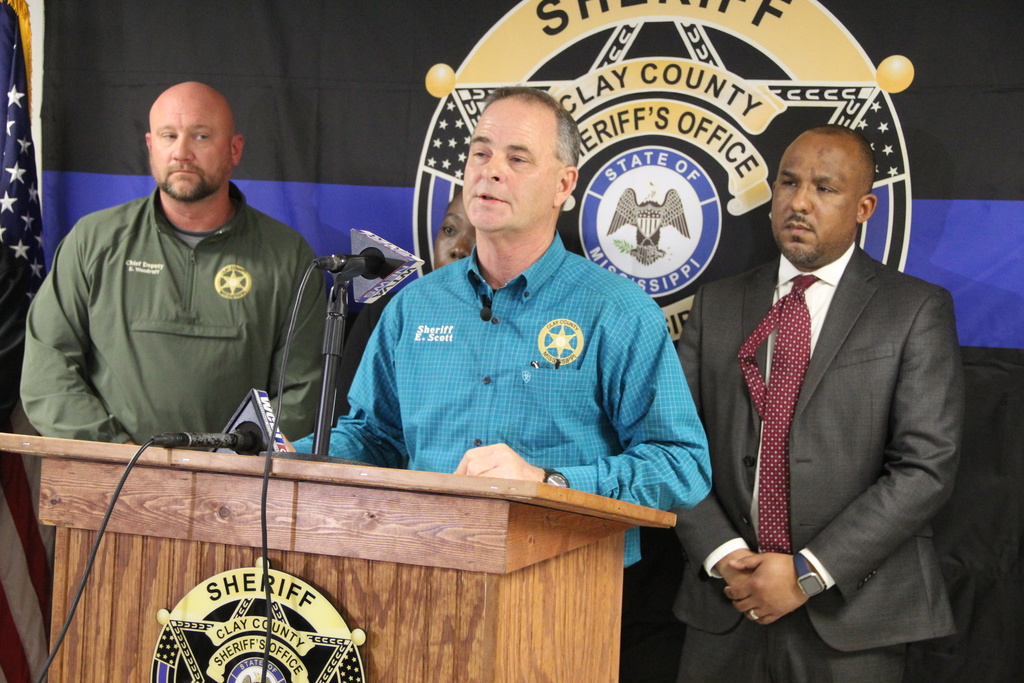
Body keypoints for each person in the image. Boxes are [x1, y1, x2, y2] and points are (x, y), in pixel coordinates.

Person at [293, 86, 711, 565]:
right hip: (419, 570)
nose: (491, 170)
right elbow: (373, 438)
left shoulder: (616, 311)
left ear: (563, 185)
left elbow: (683, 465)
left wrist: (550, 483)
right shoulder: (416, 306)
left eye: (517, 159)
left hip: (564, 585)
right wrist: (289, 454)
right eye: (480, 153)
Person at [672, 125, 964, 681]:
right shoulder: (718, 303)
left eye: (825, 189)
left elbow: (926, 469)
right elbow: (673, 444)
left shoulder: (914, 310)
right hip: (726, 605)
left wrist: (808, 571)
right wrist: (721, 554)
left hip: (854, 618)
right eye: (788, 183)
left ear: (864, 207)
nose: (799, 202)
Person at [21, 82, 325, 444]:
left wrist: (232, 462)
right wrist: (119, 455)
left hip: (237, 490)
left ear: (234, 150)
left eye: (200, 136)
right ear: (151, 146)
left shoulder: (287, 256)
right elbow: (48, 371)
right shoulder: (93, 241)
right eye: (169, 136)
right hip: (108, 480)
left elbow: (304, 393)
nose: (181, 153)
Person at [333, 190, 475, 418]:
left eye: (479, 234)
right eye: (449, 229)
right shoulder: (389, 311)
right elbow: (347, 421)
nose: (458, 248)